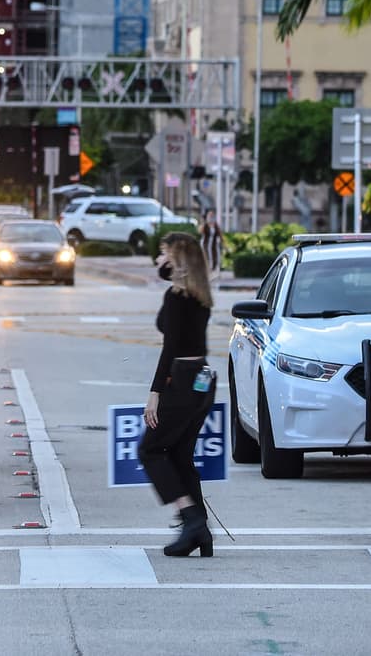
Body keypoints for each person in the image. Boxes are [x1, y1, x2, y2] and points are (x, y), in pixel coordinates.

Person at [139, 232, 216, 558]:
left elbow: (169, 348)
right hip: (203, 378)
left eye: (164, 254)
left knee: (151, 450)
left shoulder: (175, 297)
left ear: (176, 260)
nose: (158, 260)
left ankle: (191, 517)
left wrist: (155, 392)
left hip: (182, 380)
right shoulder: (201, 297)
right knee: (181, 455)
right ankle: (201, 535)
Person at [199, 209, 223, 274]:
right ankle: (207, 270)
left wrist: (223, 243)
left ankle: (213, 270)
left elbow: (220, 235)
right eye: (210, 215)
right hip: (205, 244)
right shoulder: (205, 225)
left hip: (213, 245)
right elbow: (200, 232)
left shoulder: (216, 225)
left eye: (212, 215)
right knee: (207, 257)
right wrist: (204, 222)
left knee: (215, 257)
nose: (211, 217)